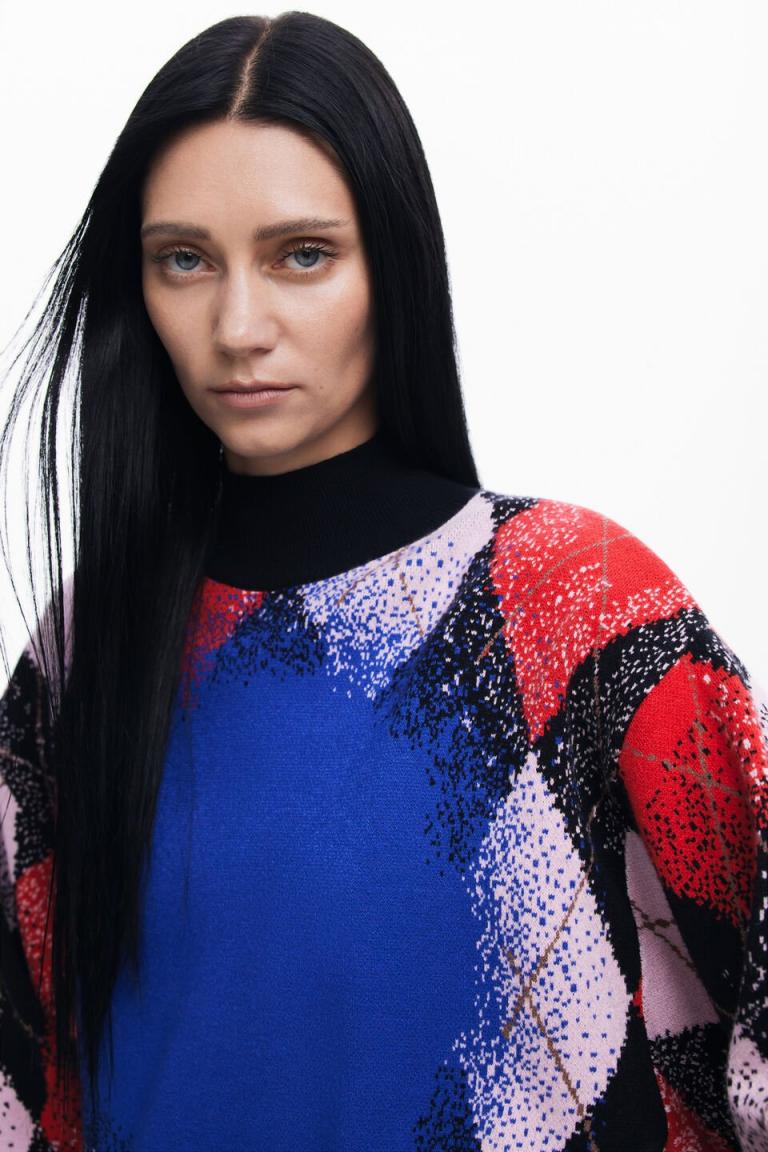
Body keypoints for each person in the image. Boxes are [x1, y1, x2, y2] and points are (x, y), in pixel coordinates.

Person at [0, 11, 765, 1152]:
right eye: (184, 260)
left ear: (393, 265)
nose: (238, 326)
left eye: (302, 254)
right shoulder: (88, 652)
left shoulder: (577, 610)